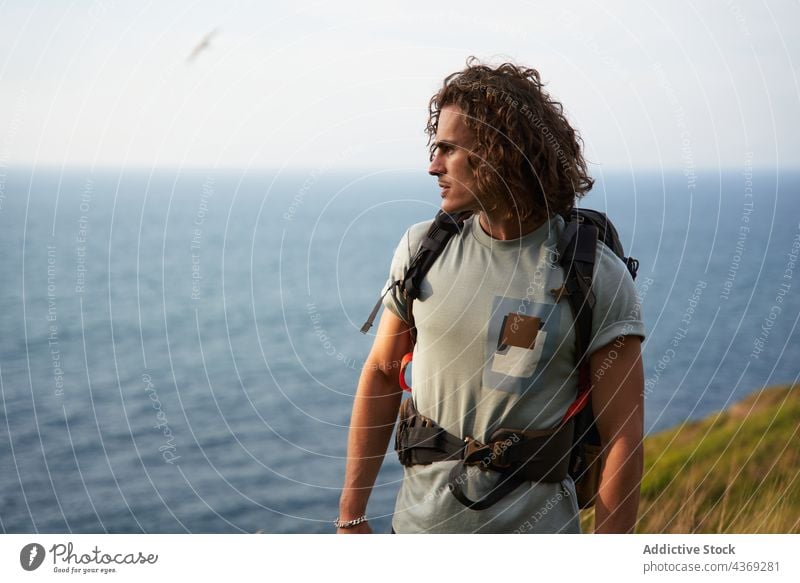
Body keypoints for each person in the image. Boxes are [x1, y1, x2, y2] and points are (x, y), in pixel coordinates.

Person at [337, 57, 645, 534]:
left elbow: (622, 436)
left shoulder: (594, 277)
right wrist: (351, 515)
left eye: (447, 149)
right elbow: (380, 374)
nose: (432, 165)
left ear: (500, 152)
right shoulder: (423, 250)